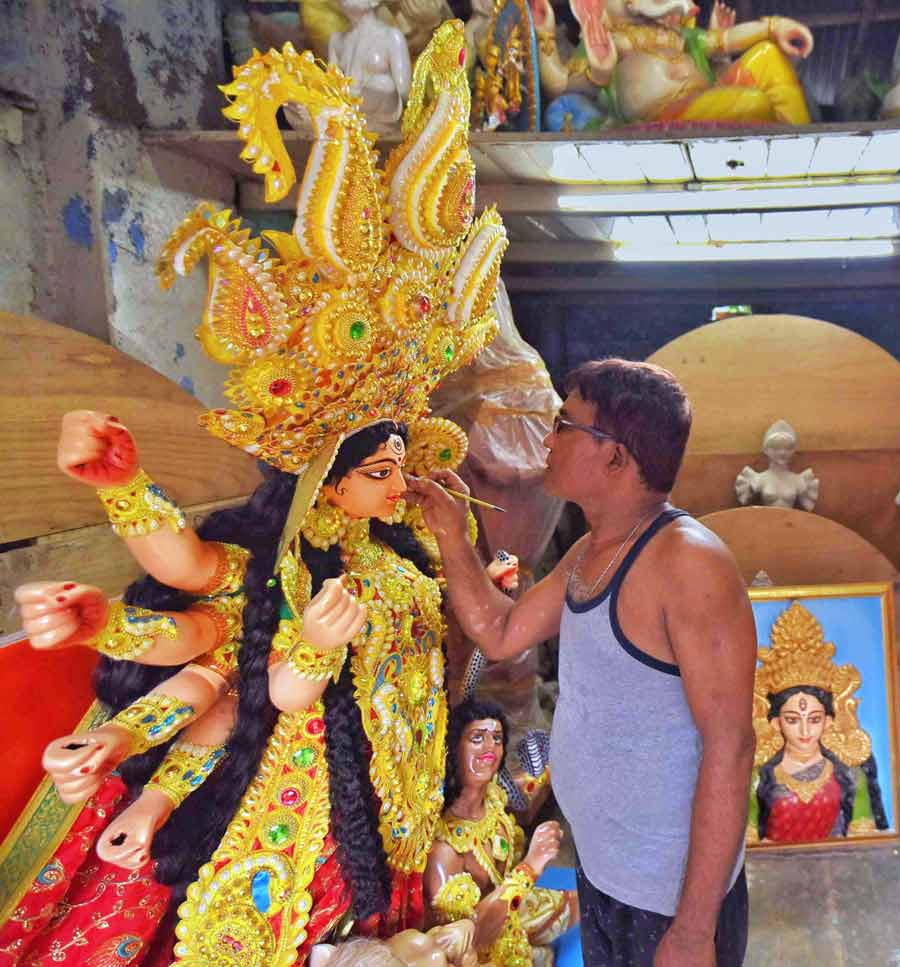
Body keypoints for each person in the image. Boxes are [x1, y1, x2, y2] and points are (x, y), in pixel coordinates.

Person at [1, 22, 508, 967]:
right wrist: (123, 495)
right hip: (302, 818)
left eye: (401, 464)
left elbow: (431, 661)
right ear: (324, 474)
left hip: (395, 813)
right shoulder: (275, 560)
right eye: (379, 469)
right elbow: (197, 609)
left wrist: (466, 585)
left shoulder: (395, 551)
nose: (400, 484)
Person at [408, 359, 757, 967]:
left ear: (615, 458)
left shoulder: (690, 565)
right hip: (604, 872)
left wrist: (695, 929)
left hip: (669, 900)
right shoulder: (591, 550)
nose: (547, 439)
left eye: (564, 424)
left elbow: (732, 747)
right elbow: (500, 630)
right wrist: (452, 537)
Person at [425, 700, 577, 966]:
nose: (490, 748)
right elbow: (472, 937)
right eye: (477, 738)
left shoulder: (493, 798)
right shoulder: (445, 850)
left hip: (514, 917)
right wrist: (529, 868)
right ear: (453, 749)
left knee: (588, 903)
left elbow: (526, 786)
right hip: (480, 954)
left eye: (496, 738)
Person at [749, 601, 888, 845]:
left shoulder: (852, 775)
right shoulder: (757, 778)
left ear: (828, 721)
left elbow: (865, 846)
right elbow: (747, 845)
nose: (805, 731)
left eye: (814, 720)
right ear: (776, 724)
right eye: (793, 720)